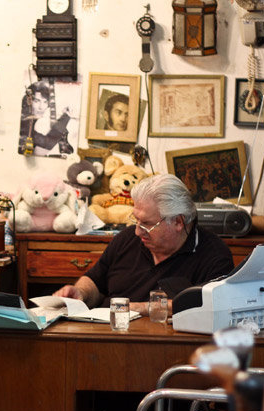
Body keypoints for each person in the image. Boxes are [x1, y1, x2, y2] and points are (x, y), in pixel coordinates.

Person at [54, 174, 234, 315]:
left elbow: (208, 305)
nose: (137, 231)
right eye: (136, 220)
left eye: (147, 224)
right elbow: (96, 280)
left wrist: (137, 308)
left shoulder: (214, 255)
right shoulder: (127, 239)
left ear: (178, 222)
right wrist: (80, 292)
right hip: (106, 334)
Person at [19, 81, 73, 155]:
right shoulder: (24, 122)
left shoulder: (34, 120)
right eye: (37, 101)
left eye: (45, 102)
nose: (41, 107)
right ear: (28, 101)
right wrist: (66, 117)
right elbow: (48, 143)